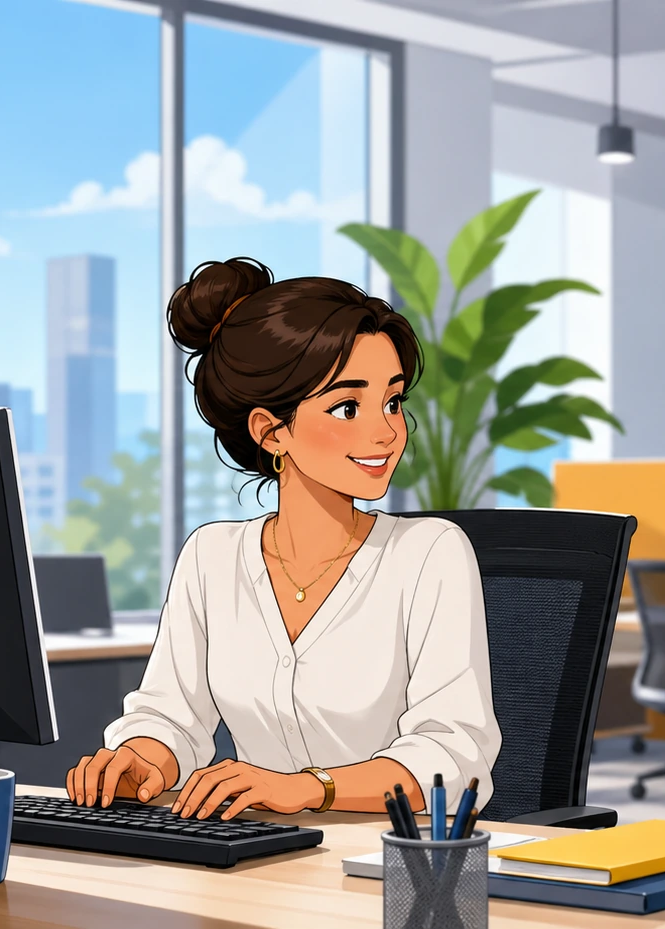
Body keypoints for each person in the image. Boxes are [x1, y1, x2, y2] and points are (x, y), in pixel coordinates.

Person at [66, 258, 501, 822]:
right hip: (255, 857)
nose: (387, 431)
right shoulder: (211, 557)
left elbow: (452, 755)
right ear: (270, 430)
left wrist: (308, 788)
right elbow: (171, 716)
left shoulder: (428, 554)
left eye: (393, 401)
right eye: (349, 407)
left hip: (392, 864)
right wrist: (140, 760)